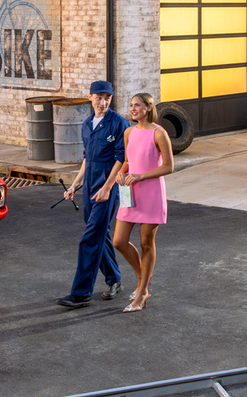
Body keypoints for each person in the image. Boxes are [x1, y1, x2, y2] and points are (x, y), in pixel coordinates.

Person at [57, 80, 129, 308]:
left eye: (107, 98)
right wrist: (74, 186)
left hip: (108, 185)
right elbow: (87, 159)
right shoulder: (87, 124)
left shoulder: (119, 123)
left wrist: (108, 188)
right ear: (90, 97)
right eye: (99, 97)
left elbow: (121, 158)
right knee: (99, 234)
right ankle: (114, 278)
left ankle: (81, 293)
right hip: (89, 184)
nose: (103, 102)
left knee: (89, 238)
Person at [112, 93, 174, 312]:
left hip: (151, 193)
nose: (133, 108)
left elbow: (168, 166)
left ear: (148, 108)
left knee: (146, 243)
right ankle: (143, 280)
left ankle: (140, 295)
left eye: (137, 105)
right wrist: (121, 173)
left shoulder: (159, 133)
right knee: (118, 241)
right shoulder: (129, 132)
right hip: (130, 193)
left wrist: (141, 176)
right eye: (131, 105)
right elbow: (128, 162)